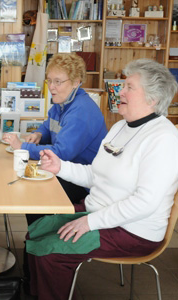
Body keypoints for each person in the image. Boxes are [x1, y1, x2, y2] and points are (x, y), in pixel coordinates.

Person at [28, 59, 178, 300]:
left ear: (153, 98)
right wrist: (59, 167)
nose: (120, 90)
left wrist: (90, 222)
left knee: (50, 252)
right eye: (123, 84)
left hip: (133, 231)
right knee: (36, 230)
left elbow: (145, 203)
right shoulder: (120, 127)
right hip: (98, 212)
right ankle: (39, 292)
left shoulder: (164, 139)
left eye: (129, 86)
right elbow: (93, 175)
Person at [3, 53, 107, 206]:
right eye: (49, 80)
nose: (51, 87)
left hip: (84, 182)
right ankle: (36, 229)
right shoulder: (63, 102)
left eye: (58, 81)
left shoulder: (81, 111)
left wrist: (22, 147)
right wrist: (39, 133)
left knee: (32, 189)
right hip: (65, 169)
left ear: (76, 82)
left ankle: (39, 229)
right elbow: (48, 125)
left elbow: (61, 152)